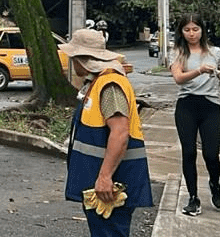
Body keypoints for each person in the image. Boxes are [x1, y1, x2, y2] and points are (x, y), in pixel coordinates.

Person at [60, 28, 153, 237]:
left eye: (73, 57)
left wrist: (104, 177)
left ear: (82, 58)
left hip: (110, 185)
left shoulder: (110, 84)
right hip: (103, 183)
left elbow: (120, 133)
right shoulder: (98, 82)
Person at [169, 13, 220, 216]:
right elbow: (178, 78)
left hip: (211, 106)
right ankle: (193, 198)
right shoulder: (178, 52)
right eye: (187, 30)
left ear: (203, 30)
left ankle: (214, 183)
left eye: (195, 29)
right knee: (188, 152)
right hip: (186, 106)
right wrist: (200, 70)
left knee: (211, 154)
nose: (191, 33)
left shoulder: (215, 52)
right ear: (181, 32)